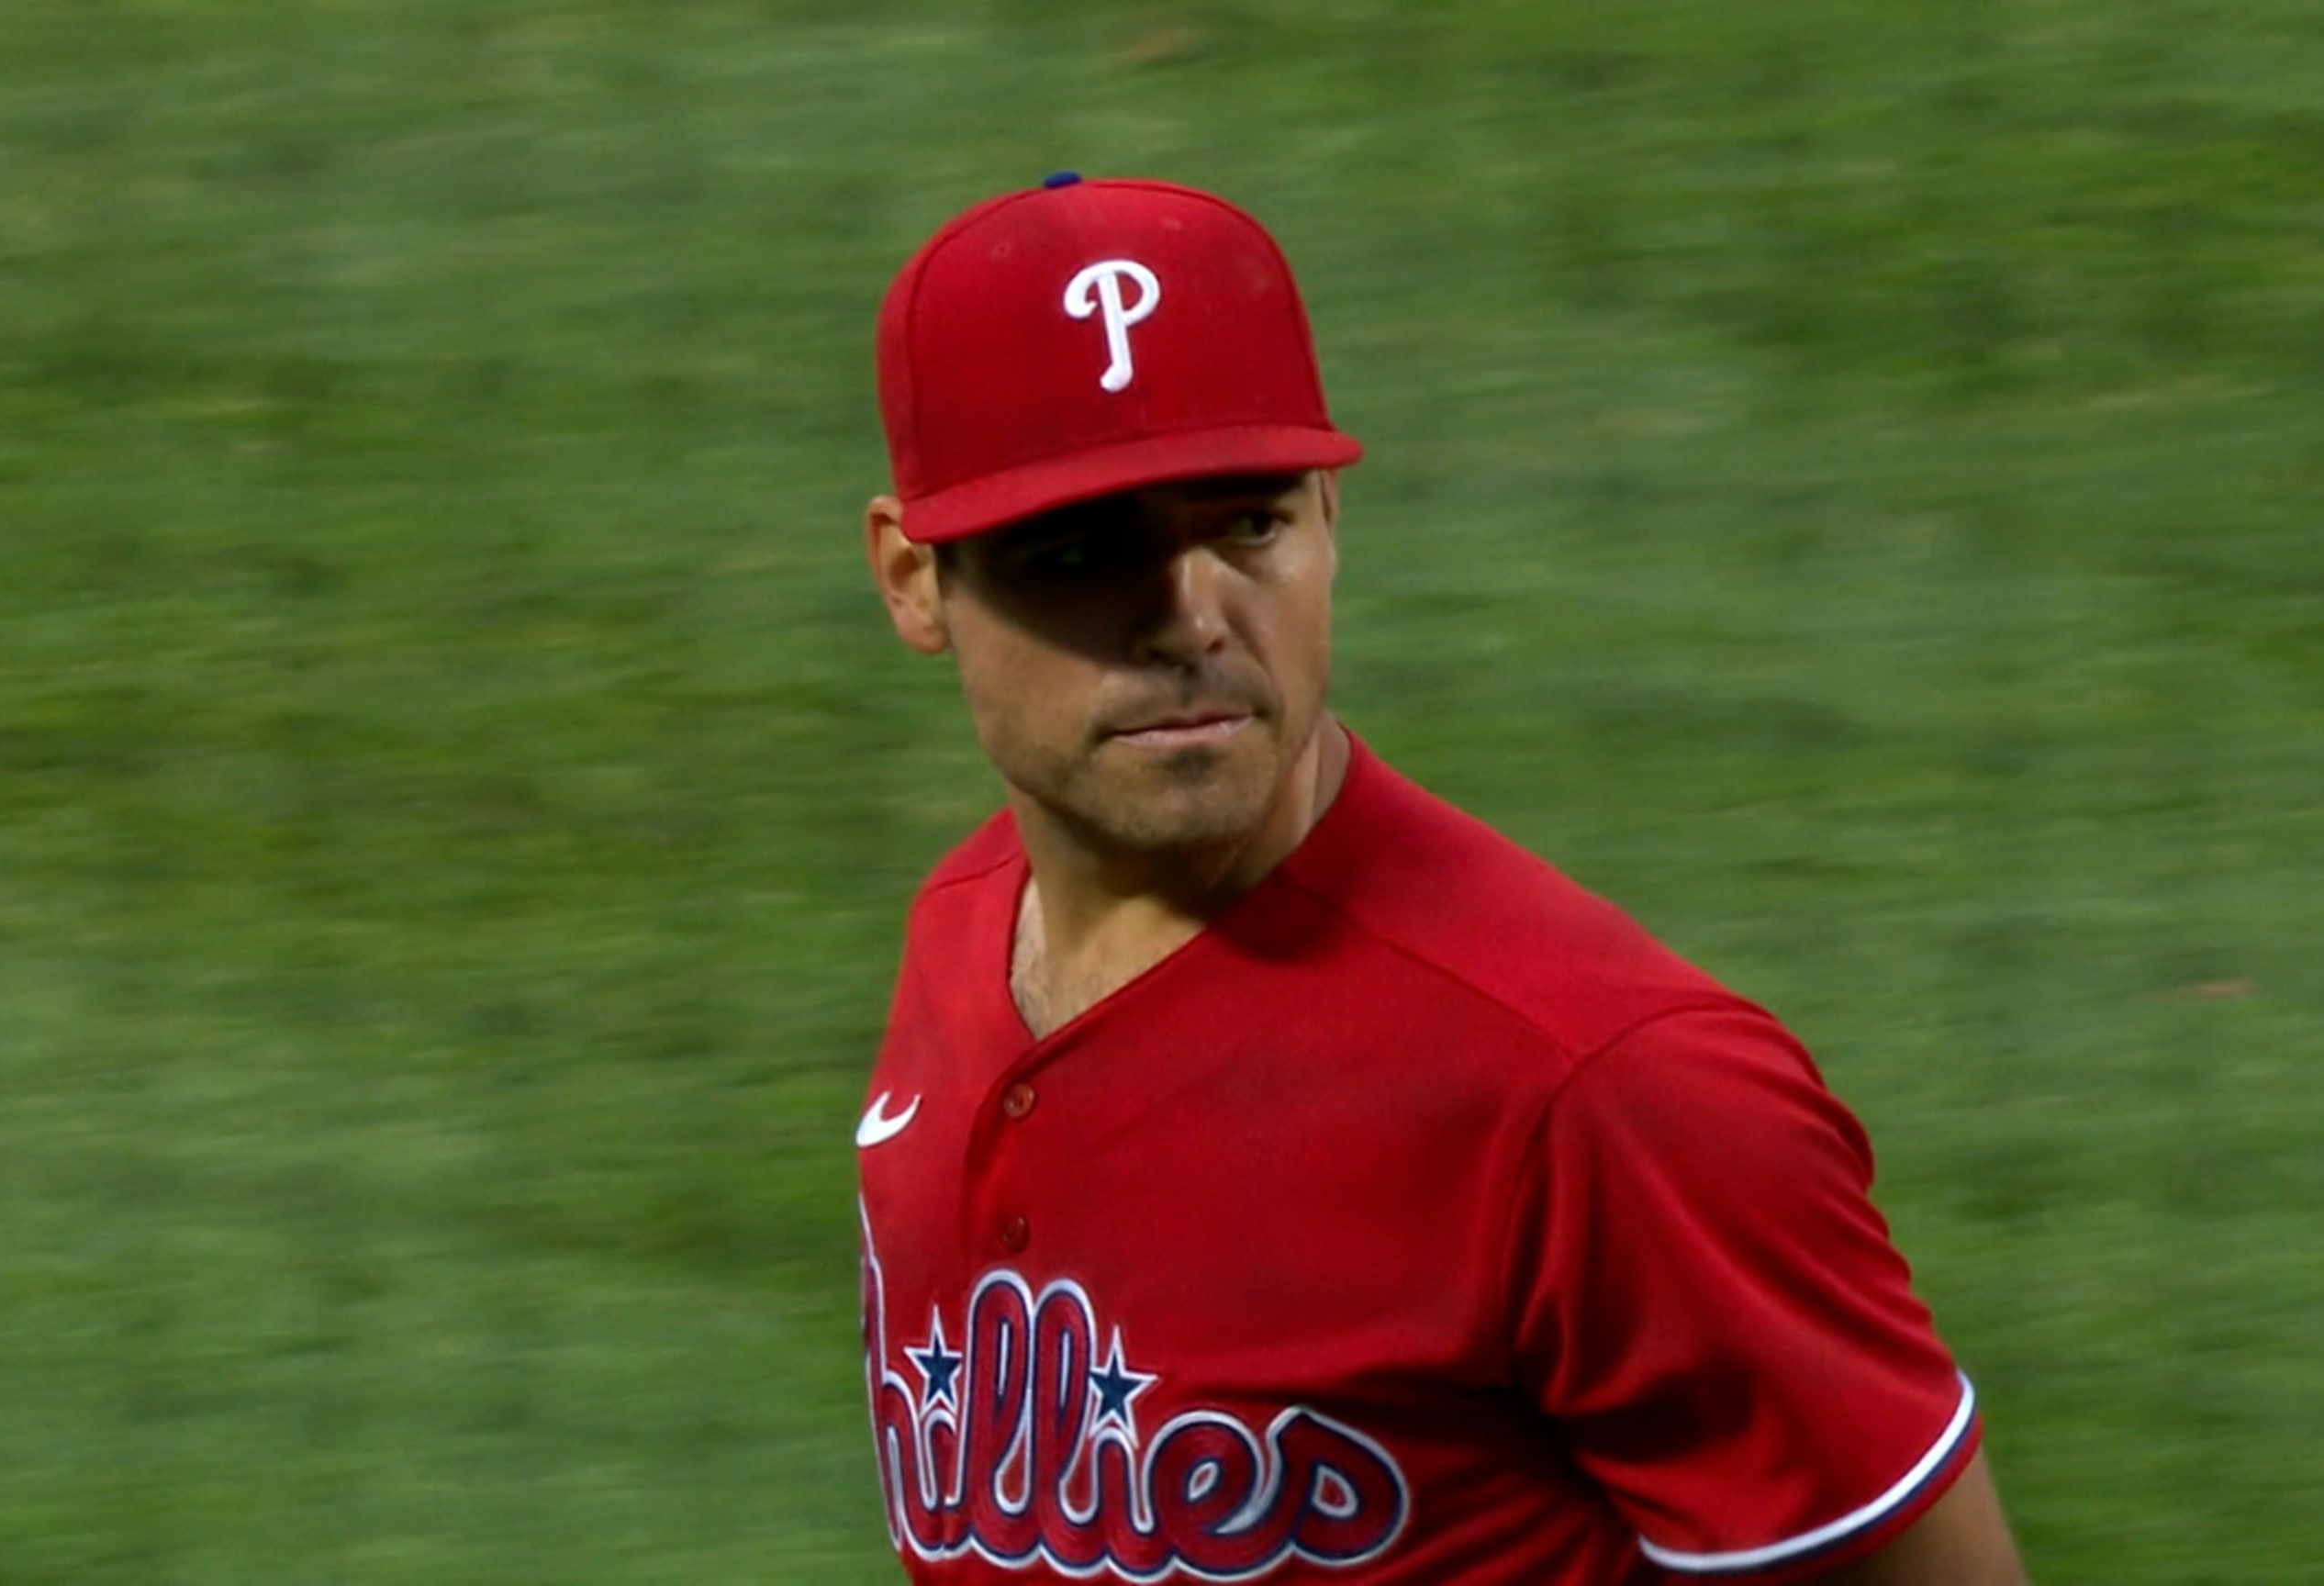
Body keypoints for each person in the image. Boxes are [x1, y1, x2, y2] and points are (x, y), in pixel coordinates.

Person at [853, 173, 2030, 1585]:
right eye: (1080, 550)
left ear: (1331, 520)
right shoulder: (966, 920)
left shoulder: (1611, 1093)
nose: (1191, 619)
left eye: (1247, 525)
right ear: (914, 579)